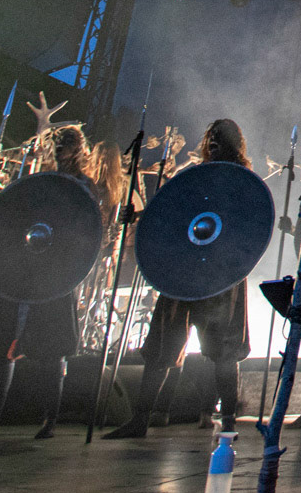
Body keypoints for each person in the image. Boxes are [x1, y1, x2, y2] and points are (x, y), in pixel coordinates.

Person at [0, 97, 113, 439]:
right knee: (1, 348)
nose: (61, 150)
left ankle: (50, 421)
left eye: (67, 145)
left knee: (52, 350)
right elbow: (15, 220)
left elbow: (86, 231)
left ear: (79, 150)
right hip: (21, 271)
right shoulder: (35, 181)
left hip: (56, 275)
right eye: (57, 144)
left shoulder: (83, 188)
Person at [106, 119, 254, 439]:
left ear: (233, 143)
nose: (213, 140)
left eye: (220, 137)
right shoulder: (195, 176)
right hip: (184, 270)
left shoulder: (241, 180)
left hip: (219, 275)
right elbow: (174, 211)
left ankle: (228, 419)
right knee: (163, 344)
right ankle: (140, 418)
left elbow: (247, 224)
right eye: (210, 136)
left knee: (223, 350)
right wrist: (140, 216)